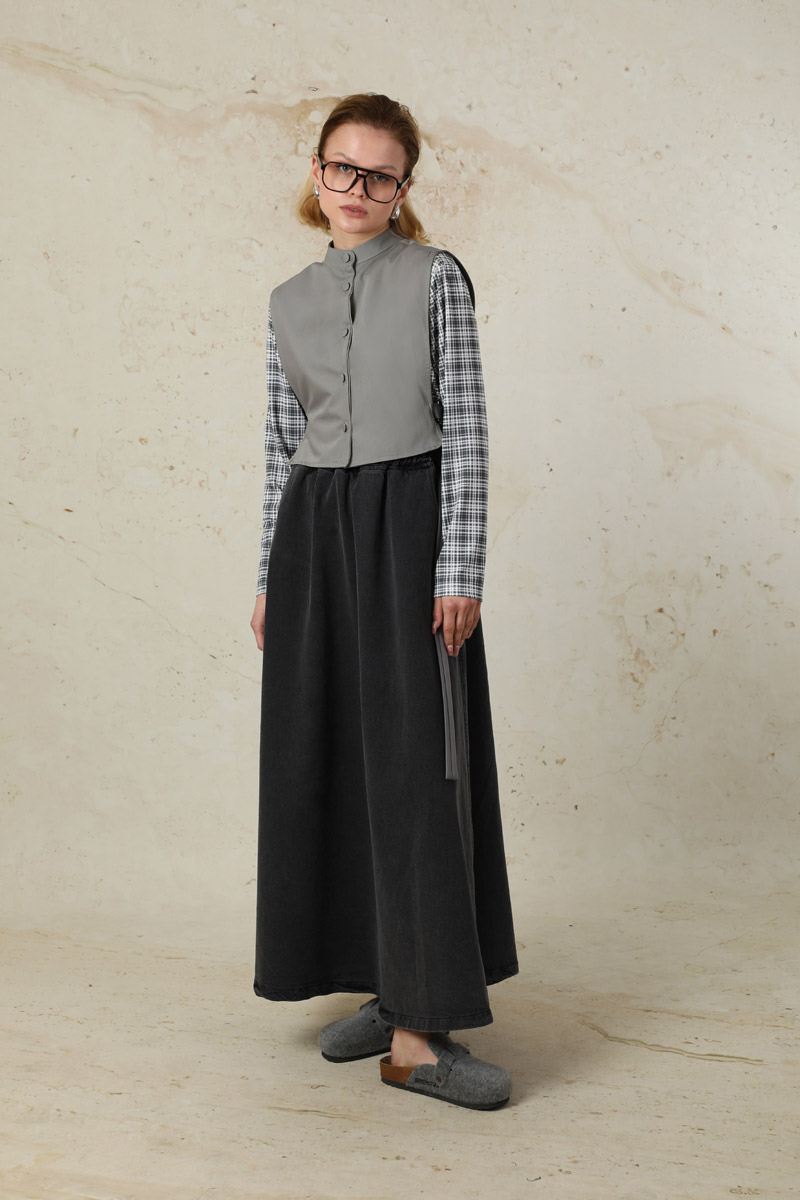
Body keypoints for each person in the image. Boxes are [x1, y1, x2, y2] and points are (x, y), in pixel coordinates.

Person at [250, 92, 519, 1111]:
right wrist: (269, 576)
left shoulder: (436, 277)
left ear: (403, 188)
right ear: (315, 172)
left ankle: (417, 1037)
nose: (355, 189)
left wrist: (459, 568)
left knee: (416, 772)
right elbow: (280, 446)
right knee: (331, 762)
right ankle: (382, 982)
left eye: (378, 175)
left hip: (409, 528)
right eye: (340, 168)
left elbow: (469, 426)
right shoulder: (286, 300)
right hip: (314, 535)